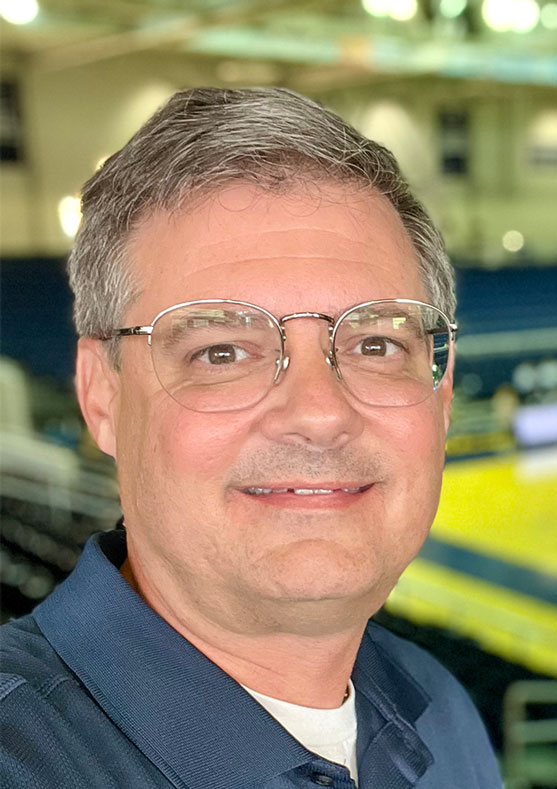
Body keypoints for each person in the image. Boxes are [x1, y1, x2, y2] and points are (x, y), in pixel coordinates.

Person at [0, 87, 502, 788]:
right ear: (102, 395)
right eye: (223, 352)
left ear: (442, 396)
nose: (320, 412)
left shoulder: (444, 715)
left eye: (376, 345)